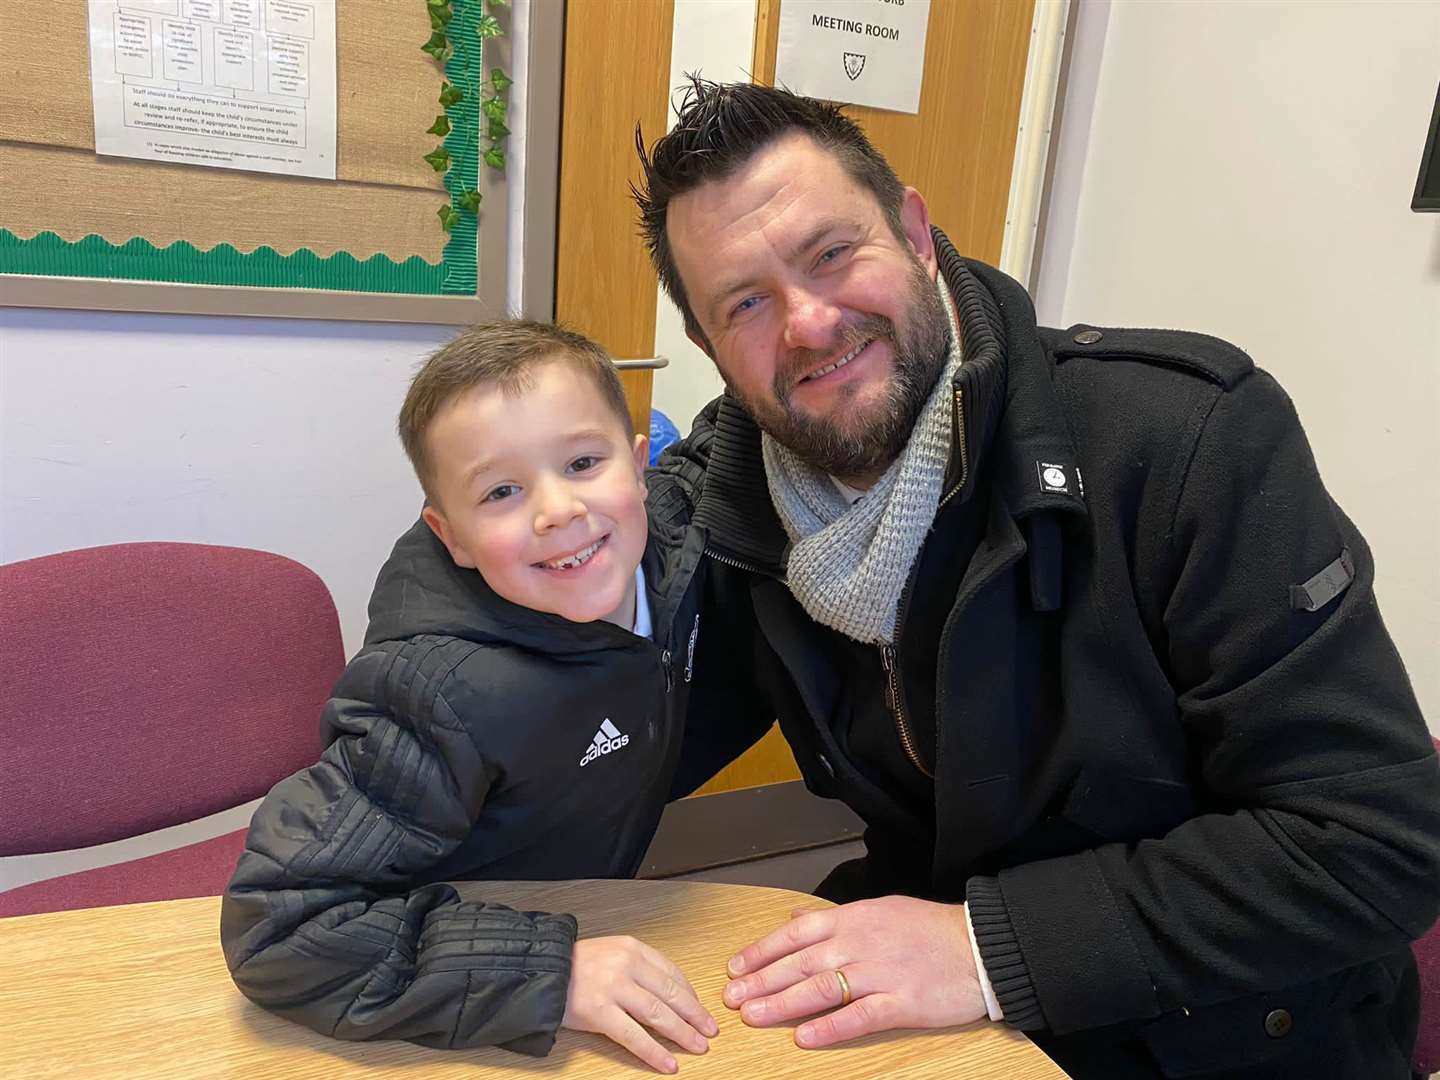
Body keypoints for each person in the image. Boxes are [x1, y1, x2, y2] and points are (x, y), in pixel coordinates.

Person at [634, 79, 1440, 1078]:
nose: (806, 323)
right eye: (745, 303)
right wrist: (497, 613)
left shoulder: (1188, 440)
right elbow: (622, 753)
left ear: (917, 235)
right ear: (711, 349)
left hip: (1235, 1032)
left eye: (833, 254)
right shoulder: (740, 504)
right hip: (958, 1021)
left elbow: (1377, 845)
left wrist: (985, 947)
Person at [221, 321, 716, 1074]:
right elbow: (279, 928)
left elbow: (716, 453)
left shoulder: (669, 538)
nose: (558, 510)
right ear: (450, 536)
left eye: (583, 461)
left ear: (638, 468)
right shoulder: (433, 696)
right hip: (466, 989)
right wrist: (552, 972)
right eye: (502, 491)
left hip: (607, 911)